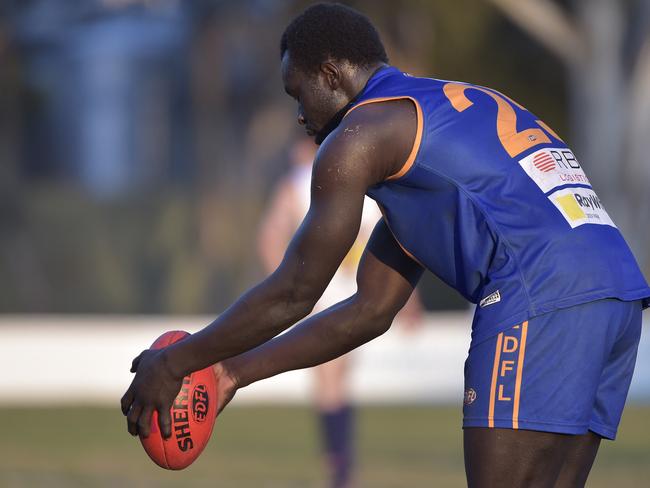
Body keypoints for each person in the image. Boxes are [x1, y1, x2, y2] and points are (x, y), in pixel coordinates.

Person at [121, 4, 650, 486]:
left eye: (298, 92)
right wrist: (230, 371)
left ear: (331, 74)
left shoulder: (360, 136)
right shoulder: (430, 117)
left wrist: (176, 363)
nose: (299, 115)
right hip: (615, 291)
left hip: (541, 293)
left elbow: (297, 288)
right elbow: (371, 309)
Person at [257, 137, 421, 488]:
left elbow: (270, 236)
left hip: (342, 294)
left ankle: (340, 464)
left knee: (332, 382)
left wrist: (288, 290)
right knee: (332, 380)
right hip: (351, 294)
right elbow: (404, 239)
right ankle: (341, 465)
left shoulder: (302, 183)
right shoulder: (360, 179)